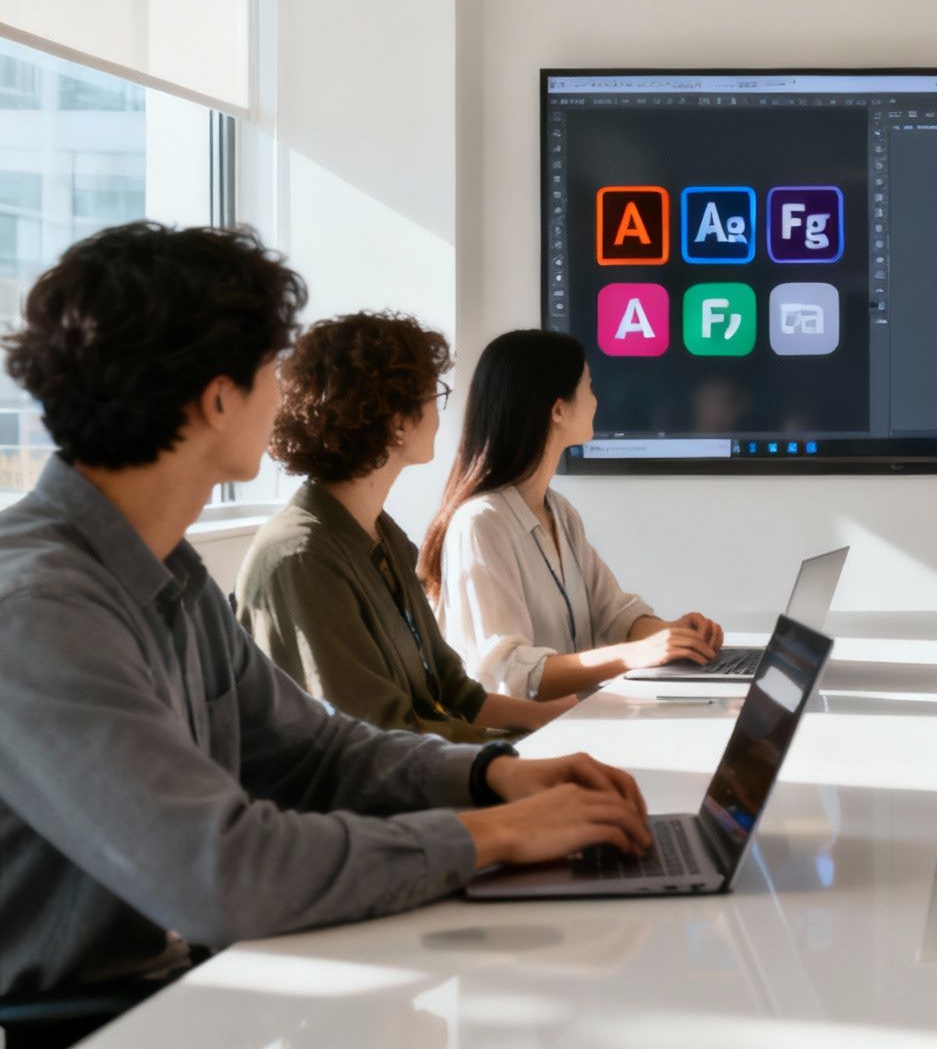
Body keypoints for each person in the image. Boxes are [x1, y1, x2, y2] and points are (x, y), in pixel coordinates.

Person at [0, 223, 652, 998]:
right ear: (218, 398)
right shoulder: (39, 609)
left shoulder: (168, 569)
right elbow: (223, 872)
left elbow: (318, 753)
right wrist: (492, 833)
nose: (284, 395)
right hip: (110, 1018)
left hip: (199, 982)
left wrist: (491, 777)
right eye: (271, 368)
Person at [237, 312, 575, 742]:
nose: (441, 412)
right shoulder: (302, 557)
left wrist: (547, 720)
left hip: (419, 766)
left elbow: (455, 692)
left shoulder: (384, 535)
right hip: (374, 791)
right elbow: (376, 733)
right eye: (435, 395)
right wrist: (511, 757)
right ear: (398, 423)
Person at [421, 329, 725, 700]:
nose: (596, 402)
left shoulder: (560, 512)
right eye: (589, 387)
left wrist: (670, 635)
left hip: (574, 724)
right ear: (558, 410)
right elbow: (506, 673)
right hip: (523, 744)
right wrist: (635, 654)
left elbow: (613, 612)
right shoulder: (480, 523)